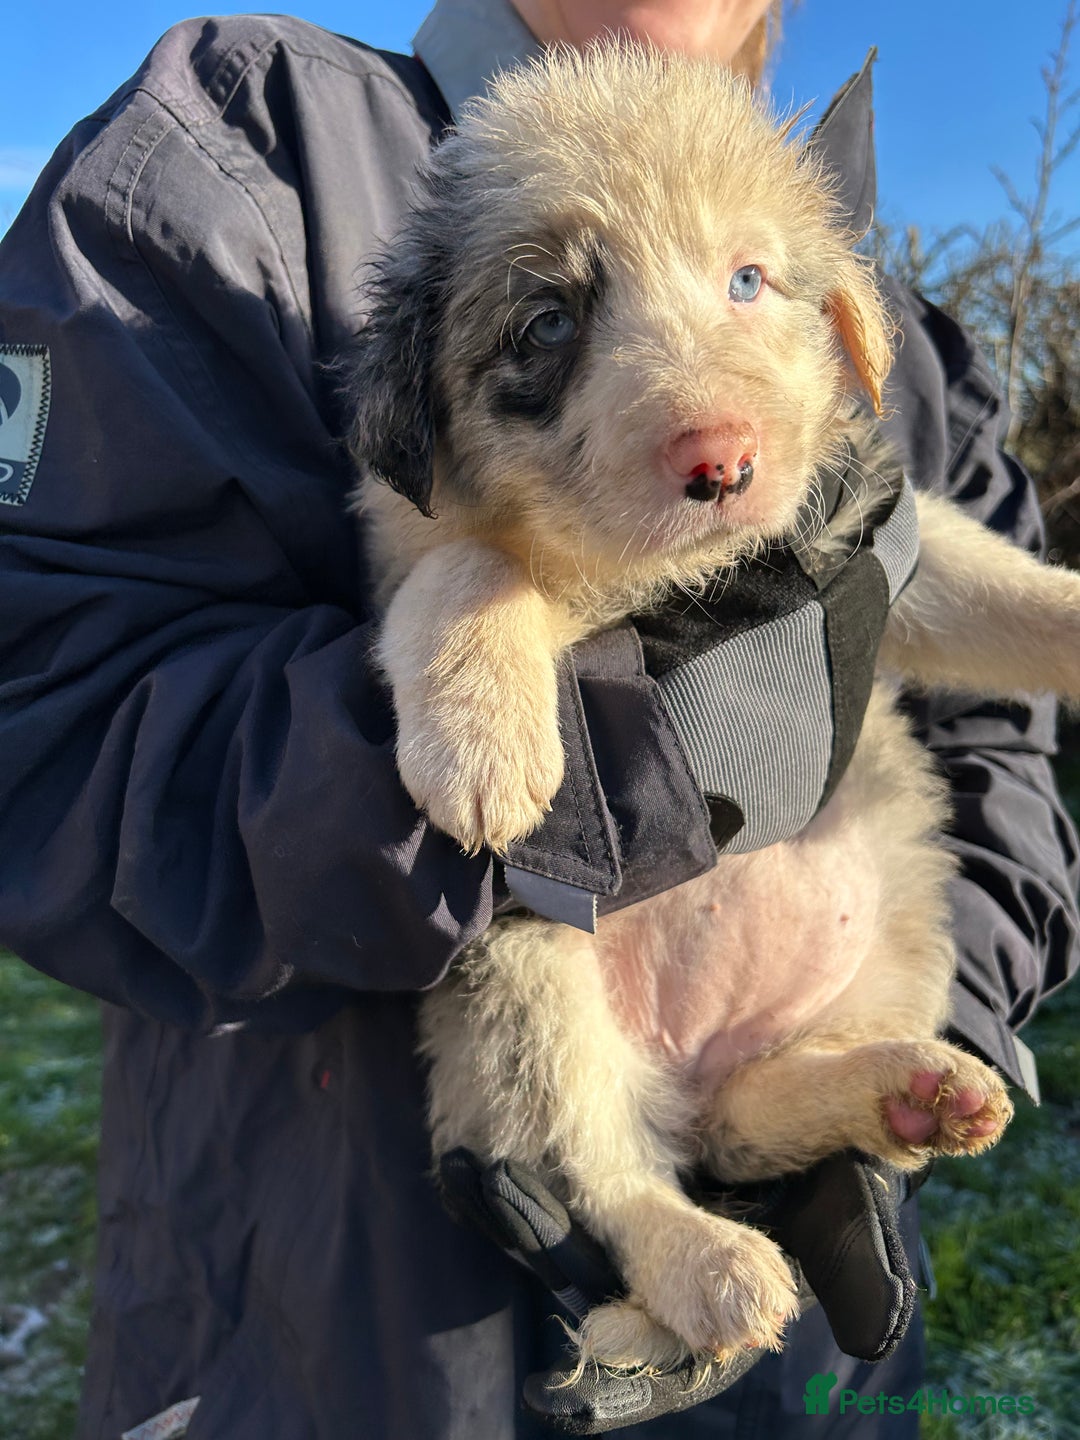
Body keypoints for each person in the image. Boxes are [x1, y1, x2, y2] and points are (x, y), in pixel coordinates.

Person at [0, 1, 1075, 1436]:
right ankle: (635, 1194)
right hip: (343, 1362)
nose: (710, 412)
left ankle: (779, 1109)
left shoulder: (905, 339)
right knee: (549, 1012)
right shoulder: (227, 156)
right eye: (557, 322)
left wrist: (919, 1014)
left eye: (755, 280)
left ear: (836, 313)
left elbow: (999, 750)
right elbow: (52, 732)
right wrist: (624, 745)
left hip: (819, 1364)